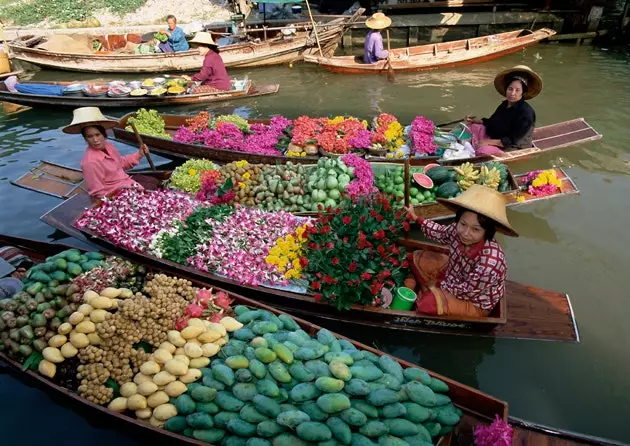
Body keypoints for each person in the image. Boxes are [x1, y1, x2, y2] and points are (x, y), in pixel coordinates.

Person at [405, 185, 519, 317]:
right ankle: (432, 291)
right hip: (454, 277)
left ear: (487, 232)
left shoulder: (491, 262)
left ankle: (431, 293)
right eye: (463, 224)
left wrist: (438, 284)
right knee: (416, 256)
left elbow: (467, 291)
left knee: (427, 304)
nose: (465, 233)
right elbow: (440, 232)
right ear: (458, 220)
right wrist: (416, 218)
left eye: (475, 229)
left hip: (474, 301)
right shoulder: (455, 230)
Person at [62, 107, 150, 200]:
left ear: (104, 134)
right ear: (86, 139)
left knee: (153, 181)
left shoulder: (108, 146)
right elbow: (98, 193)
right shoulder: (90, 162)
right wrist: (121, 191)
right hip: (118, 195)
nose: (95, 140)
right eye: (90, 136)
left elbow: (121, 164)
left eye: (97, 135)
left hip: (127, 183)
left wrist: (139, 154)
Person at [465, 65, 542, 157]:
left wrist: (488, 142)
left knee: (483, 150)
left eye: (517, 90)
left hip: (512, 146)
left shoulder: (526, 114)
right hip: (497, 137)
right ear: (506, 89)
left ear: (523, 92)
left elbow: (512, 140)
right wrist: (475, 121)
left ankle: (476, 147)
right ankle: (475, 144)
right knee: (472, 126)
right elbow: (493, 121)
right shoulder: (505, 104)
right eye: (510, 89)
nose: (512, 93)